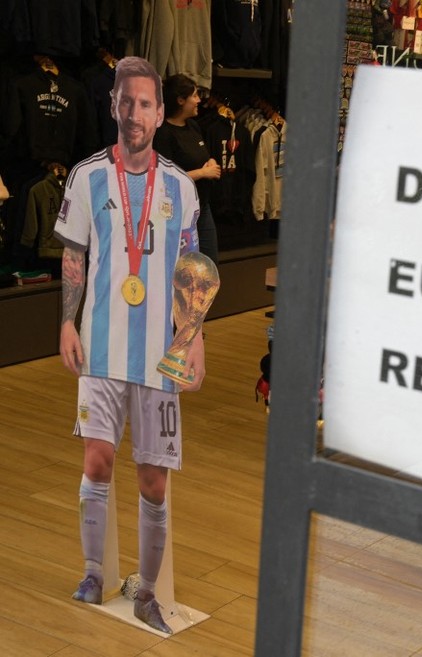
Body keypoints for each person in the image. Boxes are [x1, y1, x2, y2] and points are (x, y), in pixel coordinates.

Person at [55, 56, 205, 635]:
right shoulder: (87, 175)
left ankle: (146, 590)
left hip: (159, 358)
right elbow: (74, 256)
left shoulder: (182, 188)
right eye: (126, 102)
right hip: (99, 348)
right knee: (97, 460)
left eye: (146, 104)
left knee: (153, 477)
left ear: (161, 113)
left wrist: (194, 340)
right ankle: (93, 571)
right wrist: (68, 324)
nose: (135, 113)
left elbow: (192, 271)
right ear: (113, 105)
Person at [153, 73, 221, 264]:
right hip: (176, 213)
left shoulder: (193, 126)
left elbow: (203, 156)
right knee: (180, 269)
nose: (199, 100)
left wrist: (211, 162)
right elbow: (165, 179)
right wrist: (202, 173)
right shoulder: (163, 133)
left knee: (209, 266)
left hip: (202, 207)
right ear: (181, 100)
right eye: (194, 96)